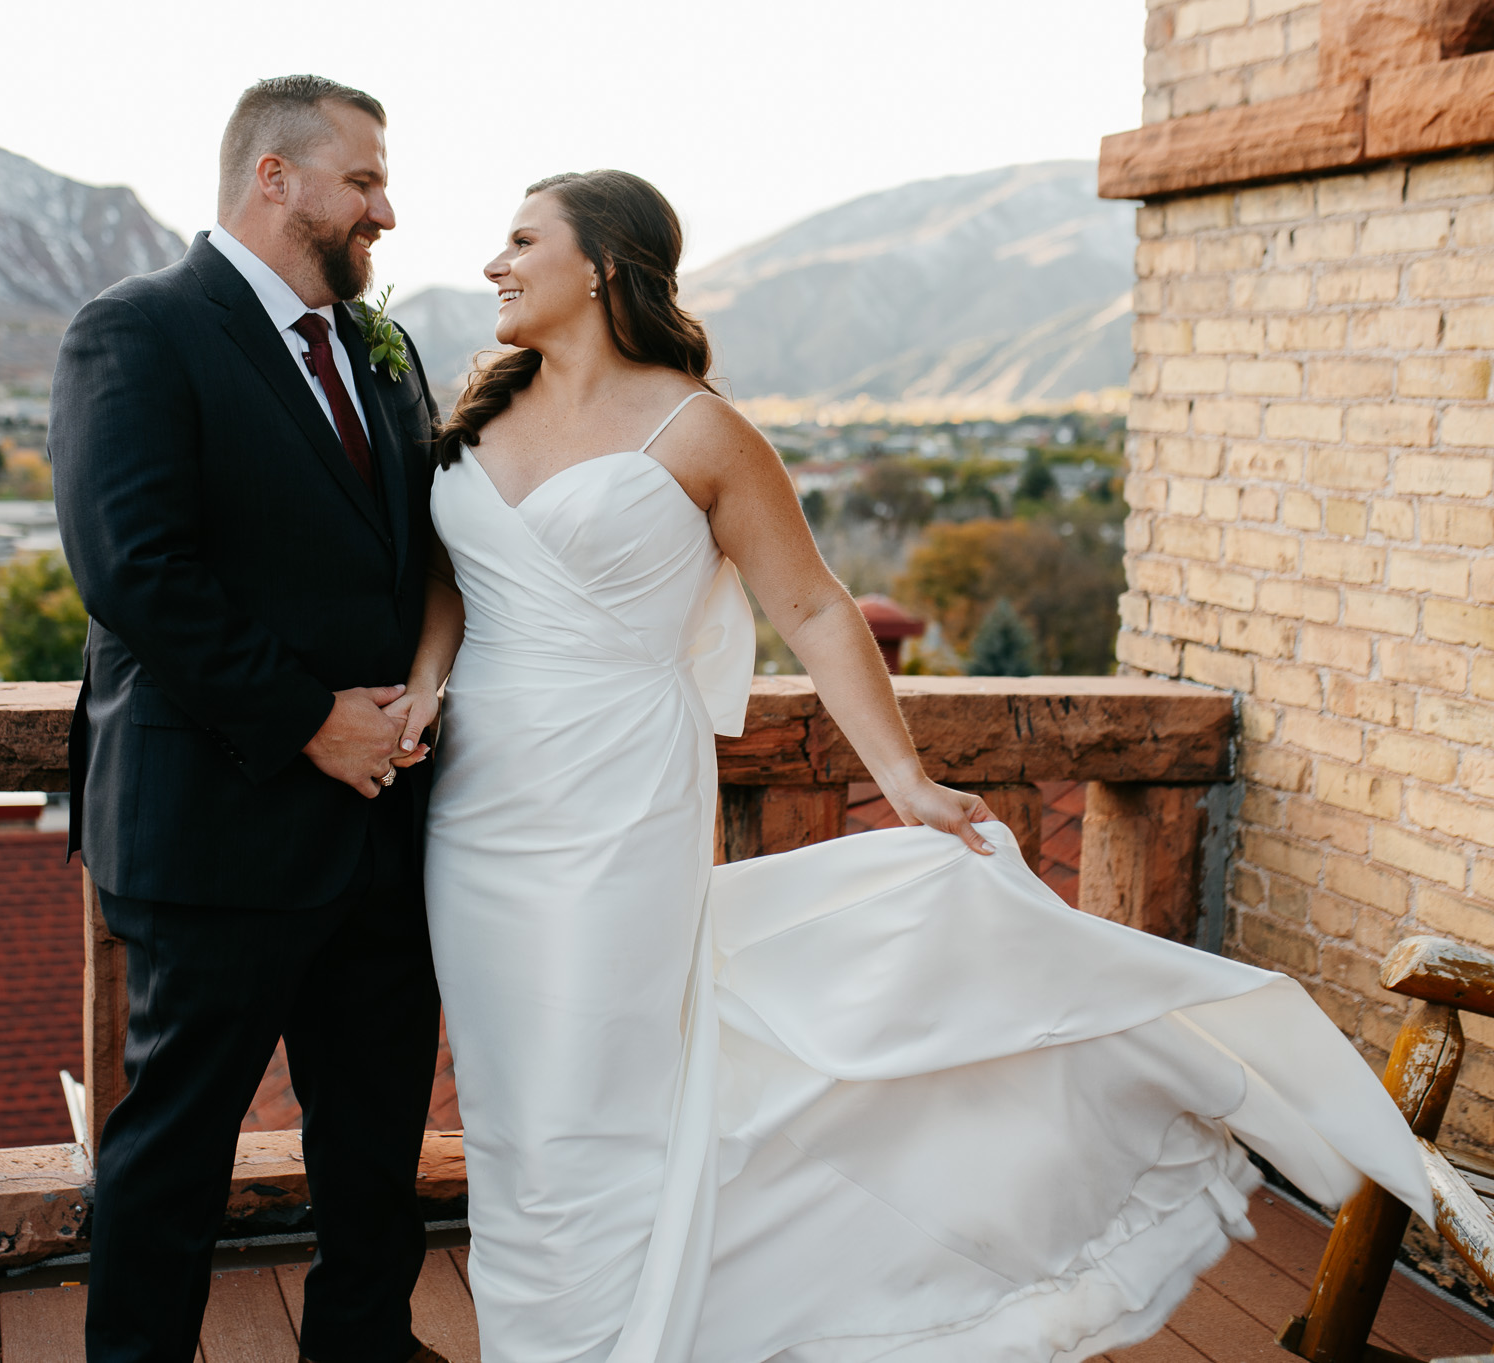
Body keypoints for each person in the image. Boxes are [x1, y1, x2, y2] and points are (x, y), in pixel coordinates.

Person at [383, 169, 1433, 1361]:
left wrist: (904, 782)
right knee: (515, 1109)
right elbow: (446, 583)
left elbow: (819, 611)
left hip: (616, 793)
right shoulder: (476, 413)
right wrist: (424, 685)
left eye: (521, 240)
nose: (494, 264)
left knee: (594, 1092)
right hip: (477, 804)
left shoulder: (700, 431)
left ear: (602, 267)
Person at [51, 76, 449, 1363]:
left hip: (382, 832)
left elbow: (411, 562)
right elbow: (135, 570)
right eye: (364, 179)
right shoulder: (137, 331)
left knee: (374, 1142)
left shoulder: (377, 350)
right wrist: (305, 722)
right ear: (273, 178)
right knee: (173, 1151)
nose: (385, 209)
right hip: (215, 821)